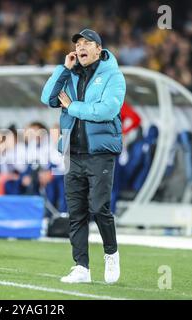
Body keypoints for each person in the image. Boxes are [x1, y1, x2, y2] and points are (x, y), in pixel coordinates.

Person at [41, 29, 126, 284]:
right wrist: (63, 70)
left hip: (99, 153)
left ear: (99, 49)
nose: (81, 47)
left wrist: (73, 107)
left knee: (99, 207)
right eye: (78, 44)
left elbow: (106, 110)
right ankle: (81, 267)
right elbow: (47, 98)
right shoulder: (71, 74)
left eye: (87, 43)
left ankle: (111, 254)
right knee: (76, 212)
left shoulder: (114, 76)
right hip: (73, 152)